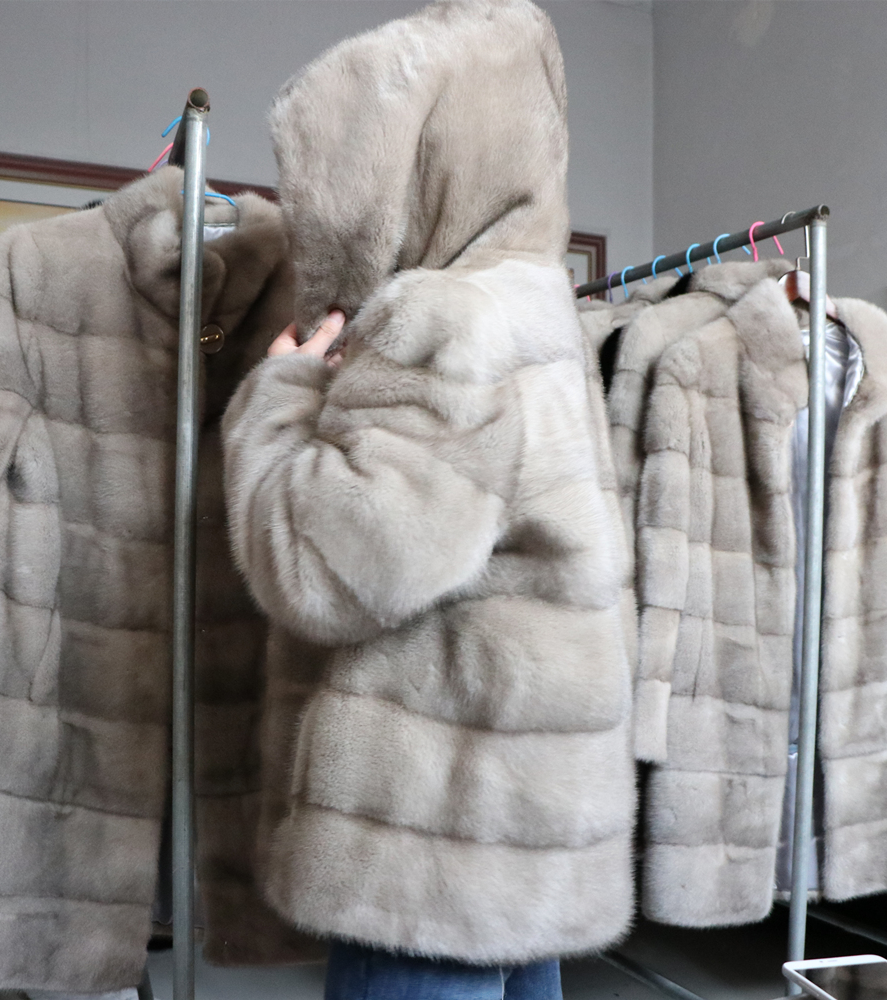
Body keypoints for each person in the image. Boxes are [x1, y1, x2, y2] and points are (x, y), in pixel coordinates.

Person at [221, 1, 637, 996]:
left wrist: (276, 399)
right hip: (515, 816)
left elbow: (328, 569)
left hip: (430, 831)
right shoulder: (538, 304)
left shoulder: (445, 317)